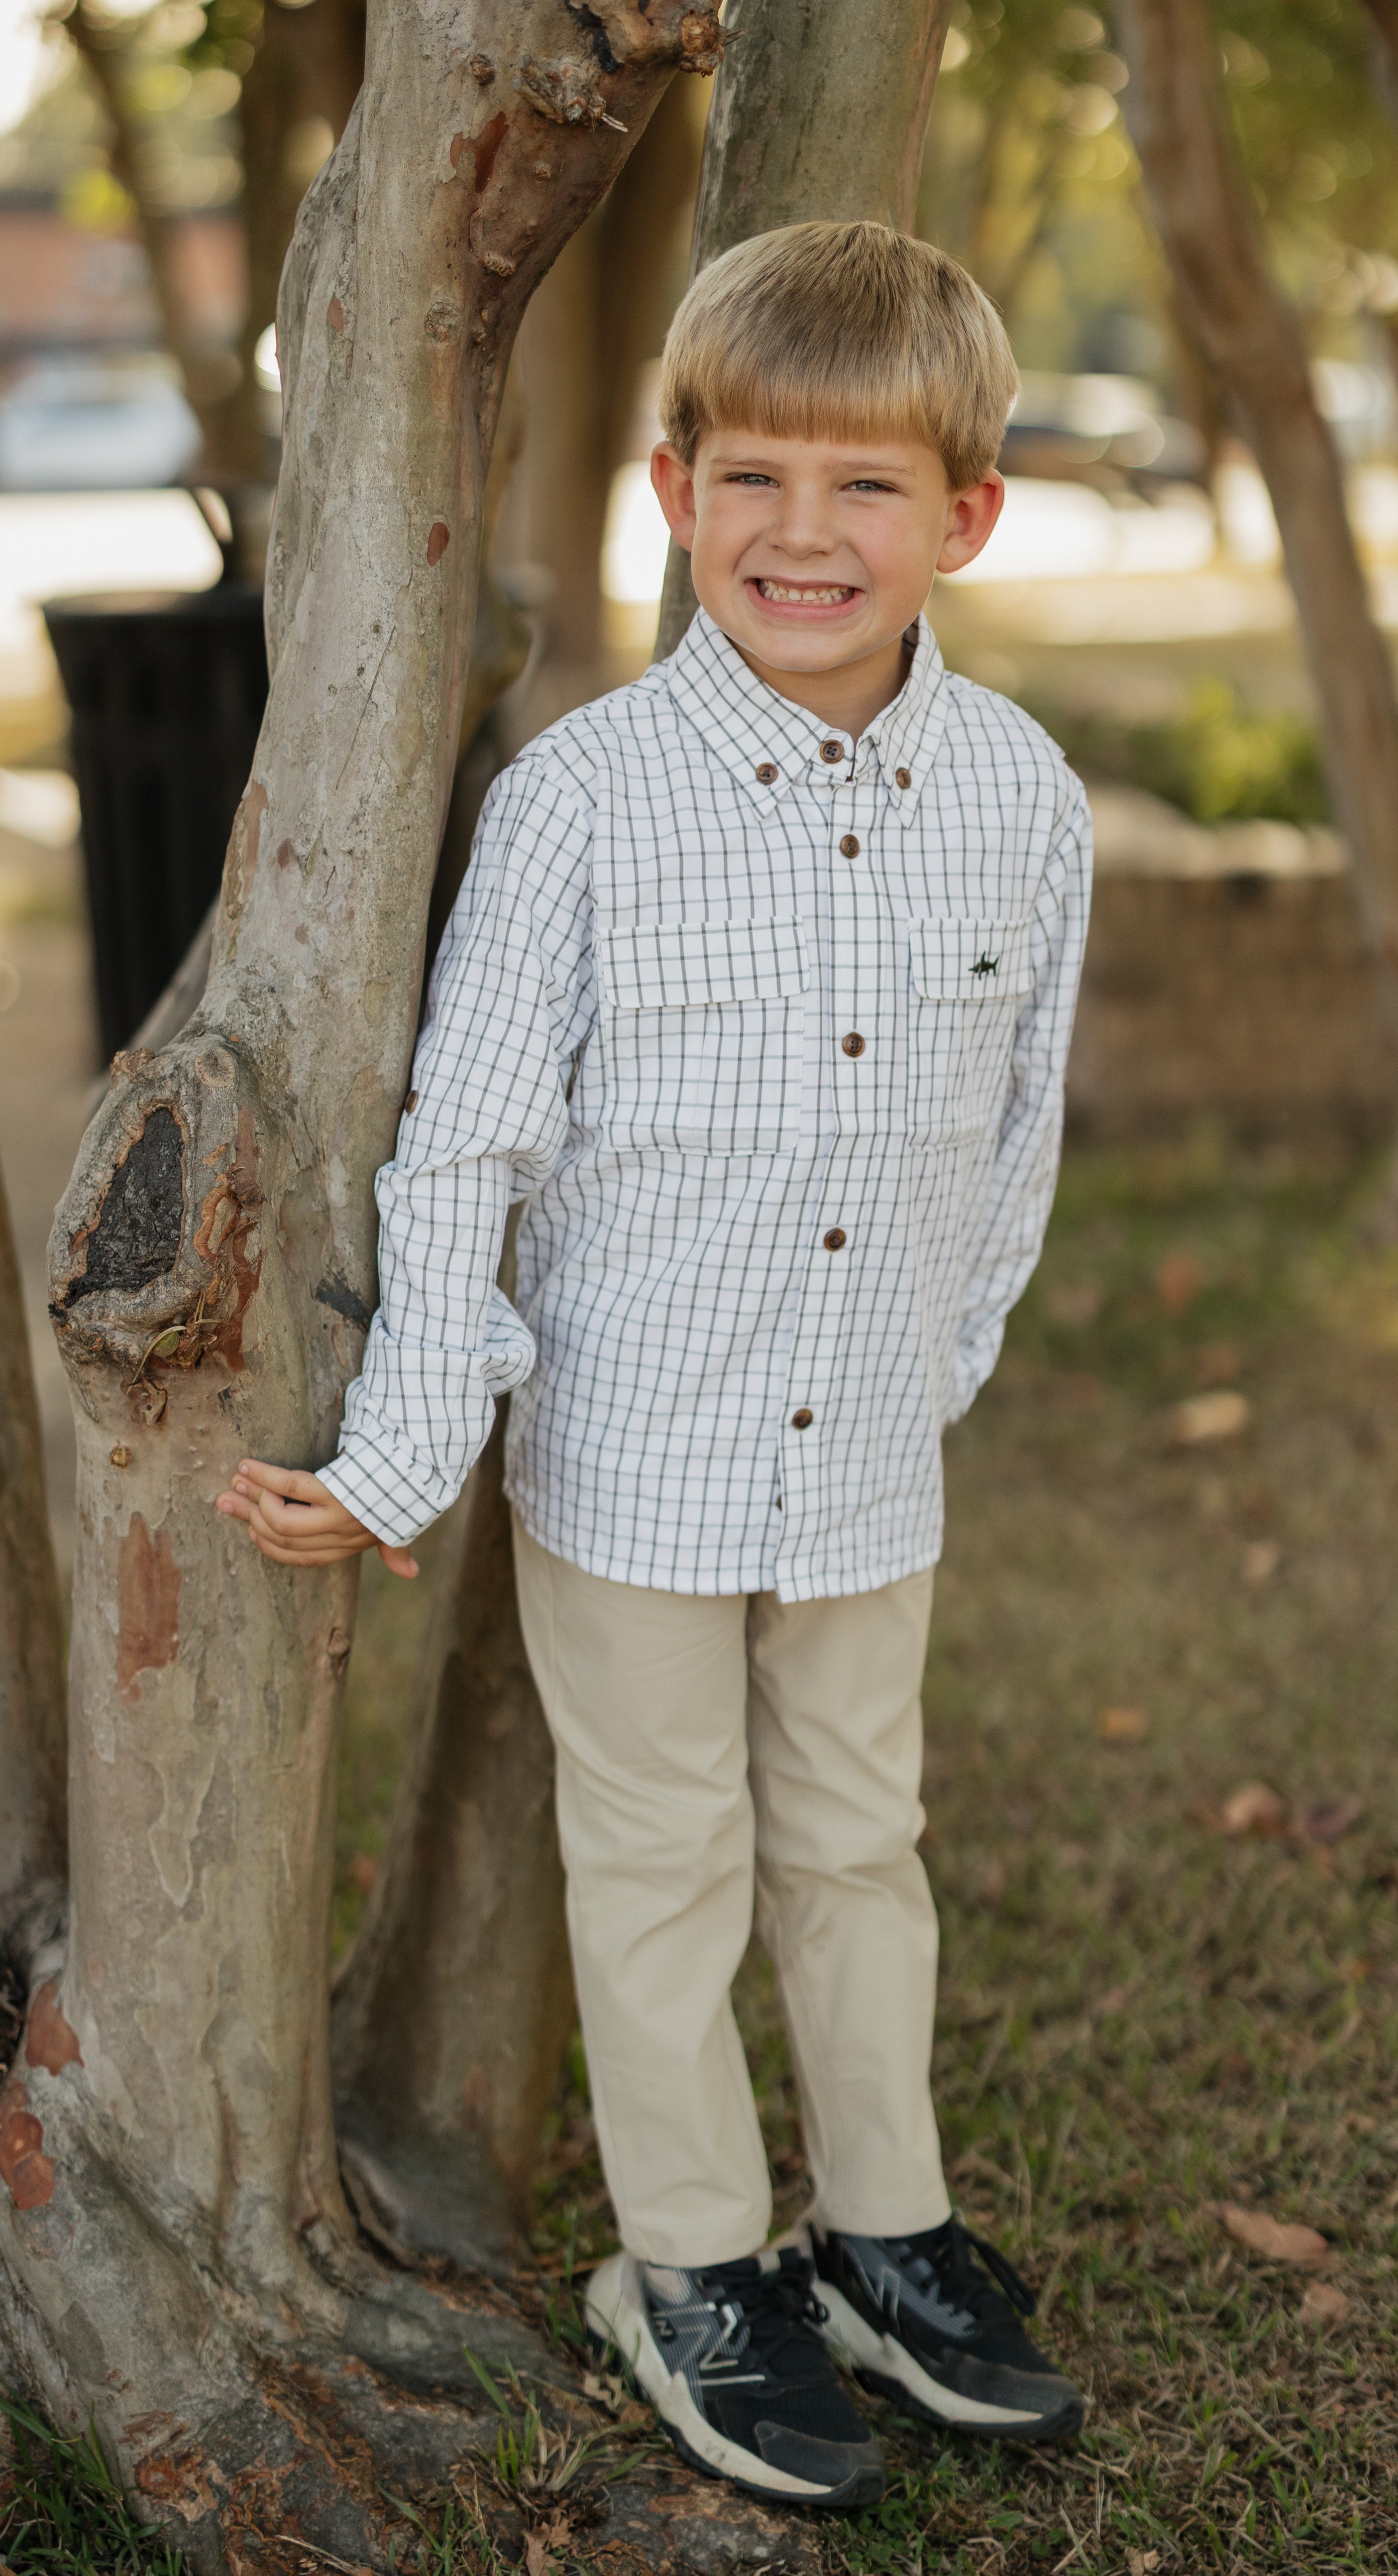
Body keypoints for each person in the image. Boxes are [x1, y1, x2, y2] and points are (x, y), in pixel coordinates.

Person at [217, 220, 1092, 2511]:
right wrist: (406, 1449)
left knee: (857, 1835)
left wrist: (934, 1368)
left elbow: (1016, 1139)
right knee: (667, 1850)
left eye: (868, 488)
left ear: (965, 517)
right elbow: (468, 1147)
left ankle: (883, 2229)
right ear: (670, 485)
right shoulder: (584, 802)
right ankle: (692, 2256)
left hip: (870, 1457)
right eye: (758, 478)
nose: (805, 532)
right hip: (631, 1461)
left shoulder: (1019, 796)